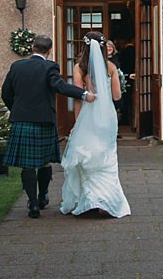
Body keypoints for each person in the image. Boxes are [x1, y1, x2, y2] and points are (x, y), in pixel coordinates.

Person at [1, 34, 94, 218]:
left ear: (32, 48)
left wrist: (17, 110)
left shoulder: (16, 66)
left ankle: (33, 204)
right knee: (44, 163)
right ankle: (42, 197)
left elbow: (6, 93)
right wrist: (83, 94)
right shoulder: (49, 67)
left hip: (22, 121)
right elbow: (60, 87)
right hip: (43, 121)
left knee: (27, 166)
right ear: (49, 50)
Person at [59, 32, 132, 217]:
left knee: (87, 155)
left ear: (84, 47)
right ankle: (106, 200)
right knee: (107, 155)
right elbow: (117, 96)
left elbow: (78, 97)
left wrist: (77, 122)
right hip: (107, 115)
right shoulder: (111, 67)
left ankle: (90, 199)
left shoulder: (79, 68)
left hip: (88, 115)